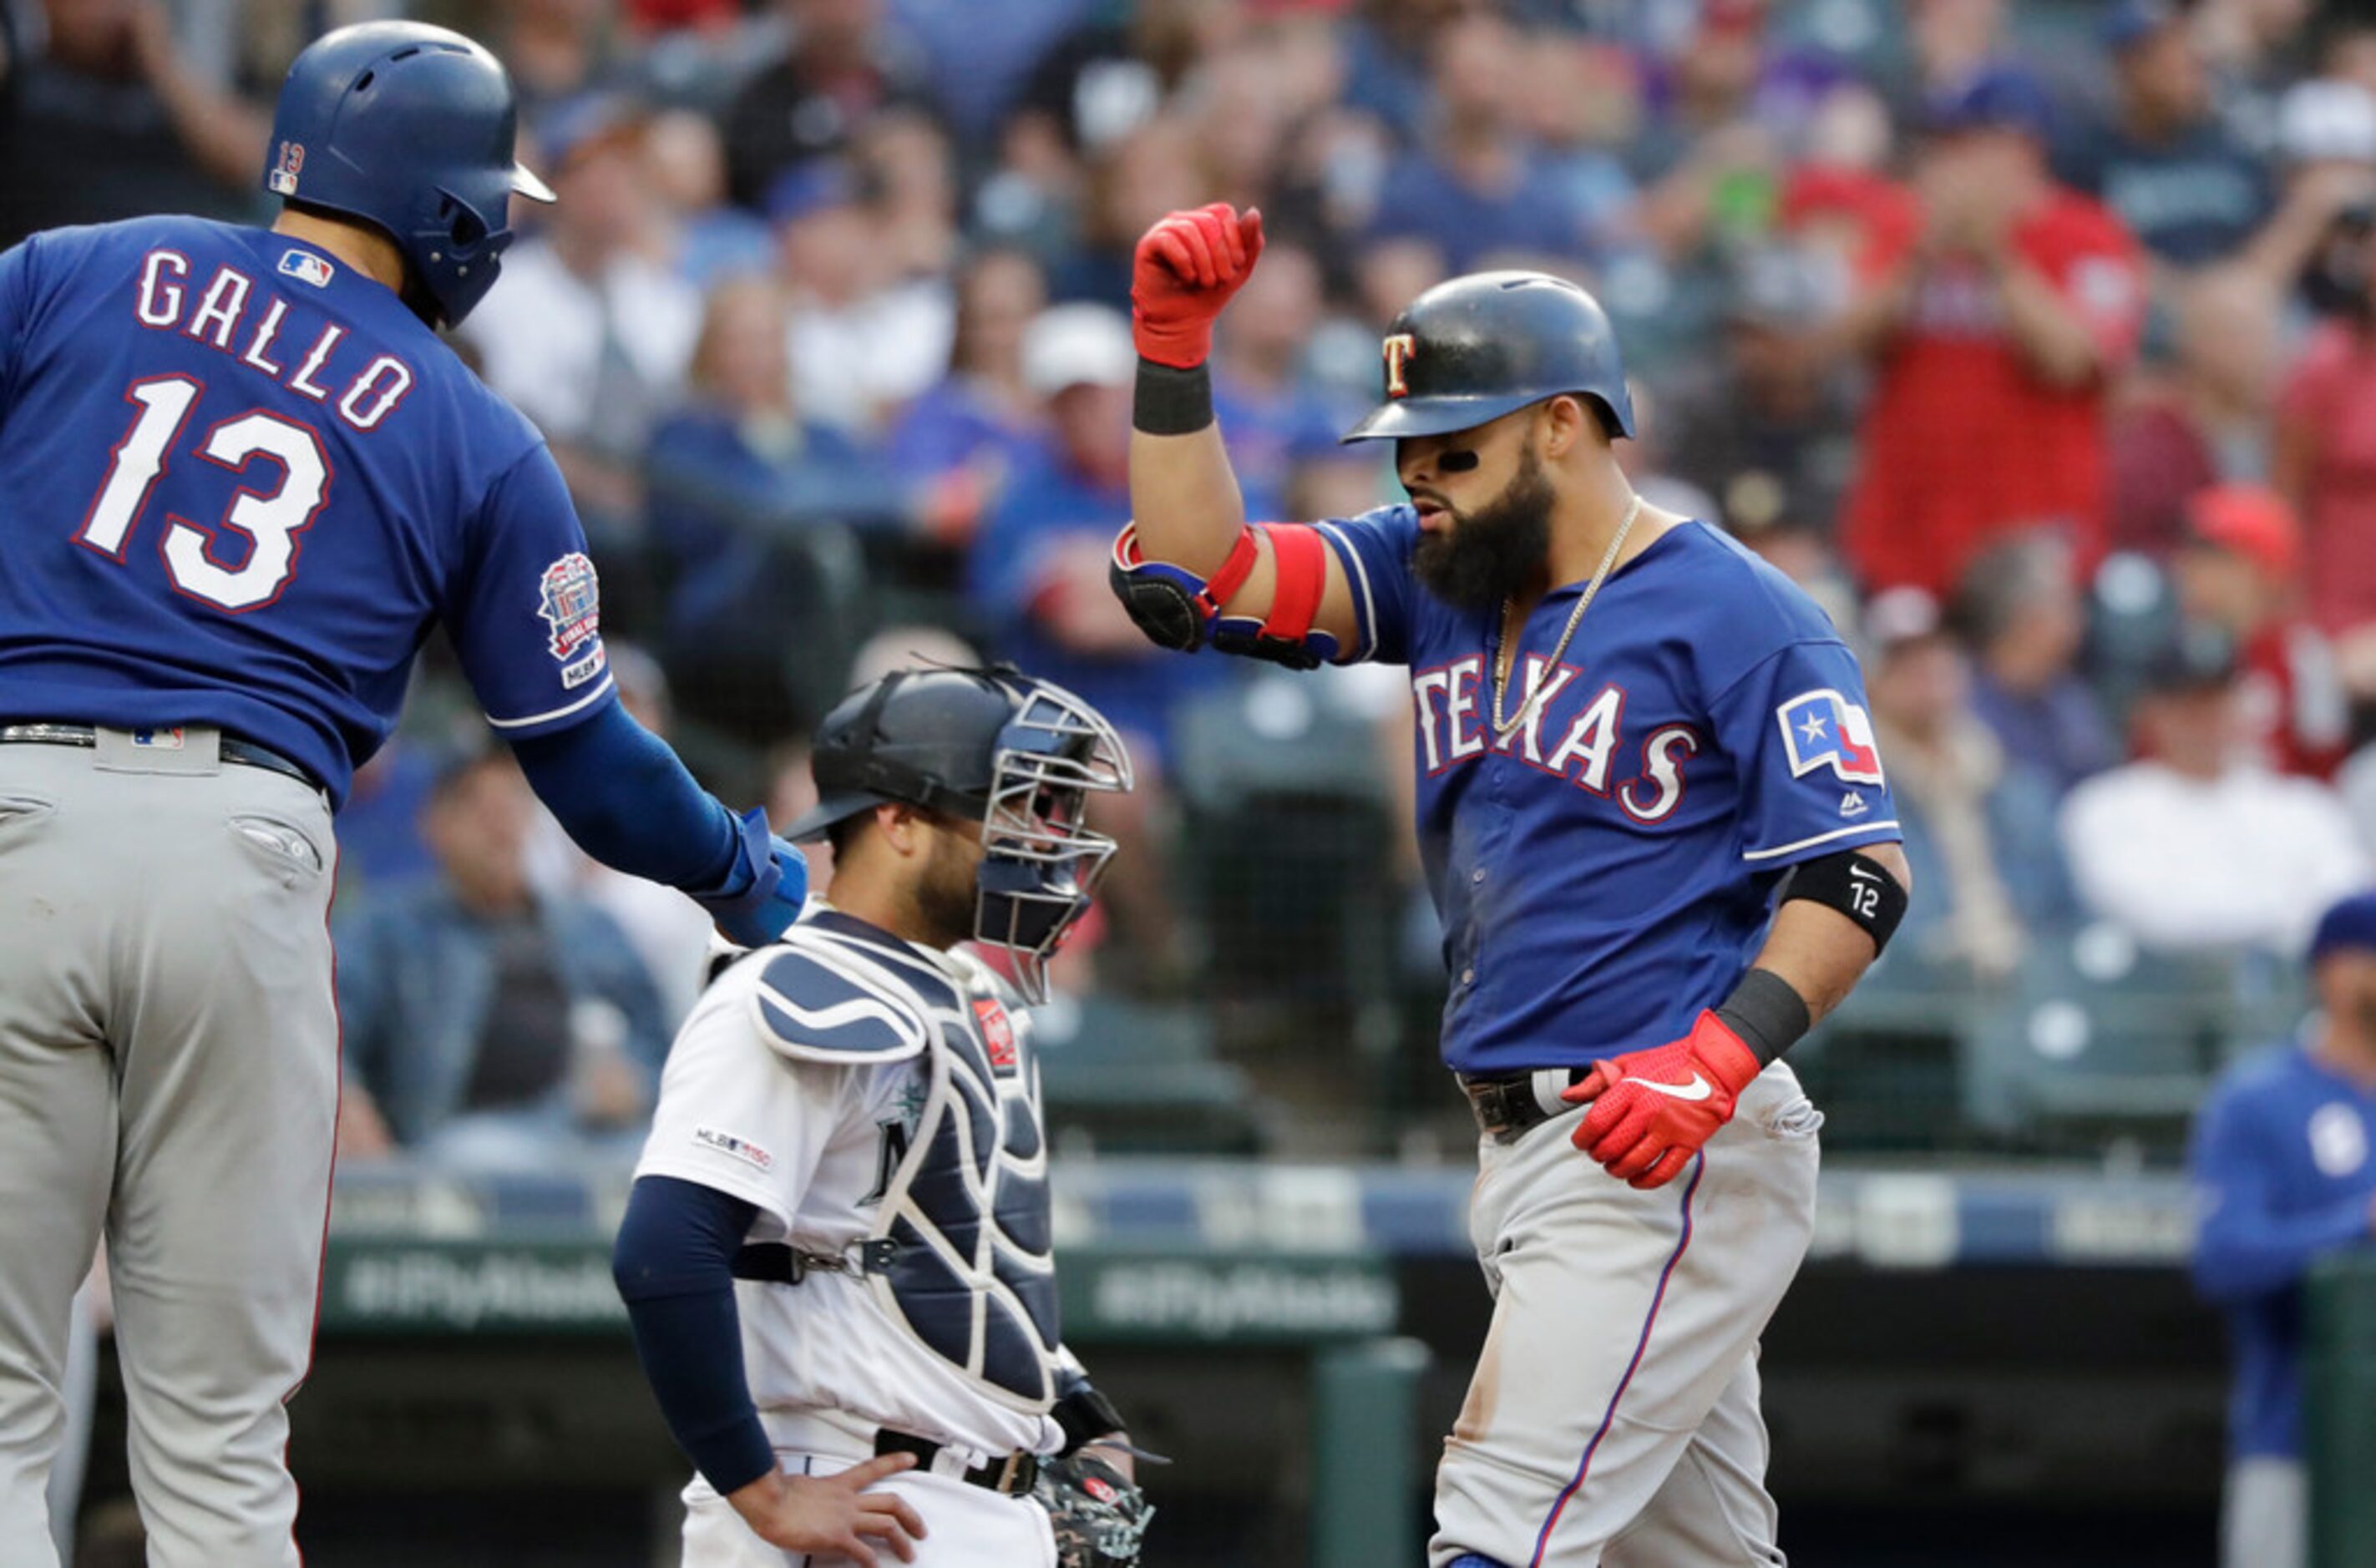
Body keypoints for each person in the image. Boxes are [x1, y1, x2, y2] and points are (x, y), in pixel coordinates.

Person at [0, 24, 808, 1567]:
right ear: (450, 203)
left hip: (14, 810)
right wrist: (752, 877)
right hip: (238, 855)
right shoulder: (471, 424)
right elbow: (587, 763)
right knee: (219, 1436)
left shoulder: (77, 263)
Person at [1114, 202, 1913, 1567]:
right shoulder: (1437, 575)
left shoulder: (1740, 611)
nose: (1420, 470)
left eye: (1454, 443)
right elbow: (1207, 571)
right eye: (1409, 444)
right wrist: (1175, 349)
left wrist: (1715, 1061)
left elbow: (1859, 873)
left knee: (1493, 1534)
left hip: (1654, 1135)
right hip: (1536, 1137)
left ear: (1563, 423)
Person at [611, 665, 1154, 1567]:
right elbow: (664, 1251)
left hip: (961, 1504)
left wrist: (1082, 1422)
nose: (1042, 842)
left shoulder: (968, 989)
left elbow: (966, 1251)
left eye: (1047, 813)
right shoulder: (798, 987)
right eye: (1011, 809)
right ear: (897, 822)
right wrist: (760, 1490)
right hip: (849, 1499)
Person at [1838, 63, 2148, 596]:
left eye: (1961, 143)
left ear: (2020, 148)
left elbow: (2075, 361)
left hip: (2032, 539)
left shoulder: (2089, 234)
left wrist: (1995, 256)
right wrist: (1918, 257)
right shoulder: (1904, 228)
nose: (1944, 163)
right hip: (1907, 533)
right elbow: (1844, 343)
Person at [333, 746, 673, 1169]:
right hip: (465, 1141)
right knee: (480, 1154)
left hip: (598, 1135)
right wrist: (345, 1097)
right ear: (435, 824)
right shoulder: (390, 928)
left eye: (514, 803)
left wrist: (634, 1081)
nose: (502, 825)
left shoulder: (589, 926)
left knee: (668, 1172)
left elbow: (664, 1044)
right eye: (481, 807)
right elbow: (328, 1024)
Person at [2190, 888, 2376, 1568]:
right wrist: (2358, 1223)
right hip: (2295, 1447)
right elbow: (2223, 1257)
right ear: (2333, 969)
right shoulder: (2260, 1098)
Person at [2061, 633, 2364, 955]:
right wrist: (2287, 915)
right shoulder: (2103, 807)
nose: (2204, 719)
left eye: (2217, 700)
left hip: (2291, 995)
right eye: (2188, 704)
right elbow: (2152, 917)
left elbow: (2346, 909)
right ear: (2150, 711)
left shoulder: (2306, 807)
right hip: (2159, 997)